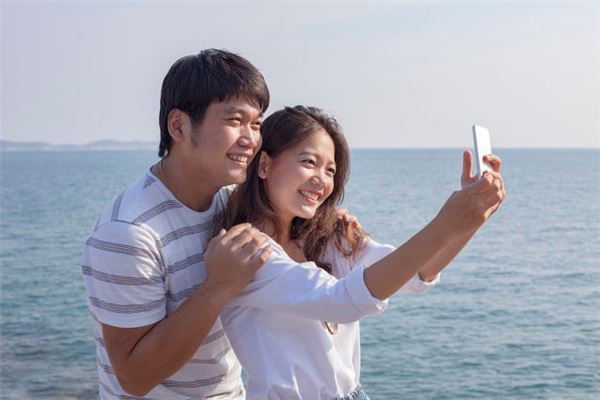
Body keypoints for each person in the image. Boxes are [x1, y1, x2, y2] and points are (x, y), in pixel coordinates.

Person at [214, 106, 506, 399]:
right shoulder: (245, 253)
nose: (322, 179)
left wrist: (472, 219)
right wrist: (447, 223)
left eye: (330, 170)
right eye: (309, 162)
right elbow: (341, 301)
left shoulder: (328, 237)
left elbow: (418, 272)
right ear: (264, 165)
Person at [81, 49, 274, 399]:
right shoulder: (128, 232)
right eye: (235, 120)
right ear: (179, 126)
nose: (250, 139)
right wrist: (216, 288)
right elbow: (134, 378)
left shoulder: (230, 199)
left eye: (256, 124)